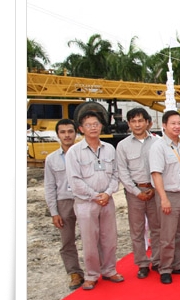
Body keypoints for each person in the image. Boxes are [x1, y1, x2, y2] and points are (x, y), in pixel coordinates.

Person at [65, 110, 122, 290]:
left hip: (107, 200)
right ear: (81, 129)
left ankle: (109, 269)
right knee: (89, 240)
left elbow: (115, 174)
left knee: (109, 237)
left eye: (96, 124)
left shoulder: (109, 148)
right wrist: (94, 196)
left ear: (101, 126)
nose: (93, 128)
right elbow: (74, 180)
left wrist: (107, 193)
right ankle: (91, 274)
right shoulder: (74, 152)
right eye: (88, 125)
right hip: (86, 202)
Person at [149, 110, 180, 284]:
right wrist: (163, 198)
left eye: (179, 123)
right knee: (167, 235)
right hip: (168, 195)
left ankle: (178, 264)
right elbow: (156, 174)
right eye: (173, 123)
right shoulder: (158, 146)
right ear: (164, 125)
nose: (177, 126)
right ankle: (165, 268)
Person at [115, 107, 161, 279]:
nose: (137, 124)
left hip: (155, 190)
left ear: (148, 122)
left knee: (157, 228)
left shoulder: (158, 142)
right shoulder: (123, 146)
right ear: (129, 124)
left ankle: (157, 260)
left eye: (140, 120)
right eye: (133, 121)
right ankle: (142, 264)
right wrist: (136, 191)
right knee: (137, 230)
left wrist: (156, 189)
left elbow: (162, 167)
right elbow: (122, 172)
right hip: (135, 193)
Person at [44, 118, 84, 290]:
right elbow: (49, 186)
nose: (67, 135)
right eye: (63, 132)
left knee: (92, 237)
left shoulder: (84, 154)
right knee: (67, 241)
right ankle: (74, 273)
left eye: (70, 131)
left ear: (76, 132)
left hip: (84, 199)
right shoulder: (51, 159)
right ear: (58, 135)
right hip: (64, 202)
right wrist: (54, 212)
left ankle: (95, 270)